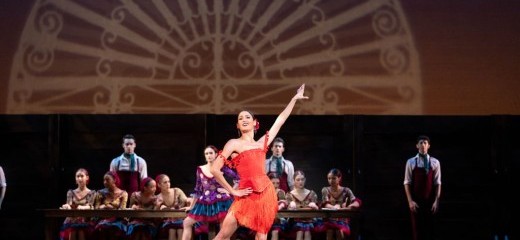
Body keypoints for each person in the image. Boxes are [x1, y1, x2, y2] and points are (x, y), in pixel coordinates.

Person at [209, 83, 309, 240]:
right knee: (222, 235)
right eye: (240, 118)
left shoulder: (261, 143)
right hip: (246, 193)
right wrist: (232, 190)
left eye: (247, 117)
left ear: (255, 123)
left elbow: (280, 120)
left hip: (265, 192)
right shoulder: (233, 143)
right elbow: (215, 169)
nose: (244, 119)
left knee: (261, 236)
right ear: (237, 125)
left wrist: (294, 99)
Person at [181, 145, 238, 240]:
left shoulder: (221, 167)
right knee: (186, 222)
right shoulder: (200, 169)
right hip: (205, 202)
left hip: (221, 201)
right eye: (206, 153)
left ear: (216, 154)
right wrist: (191, 206)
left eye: (211, 153)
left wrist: (230, 190)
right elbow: (198, 189)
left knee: (224, 230)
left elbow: (238, 178)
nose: (209, 155)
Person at [403, 135, 441, 240]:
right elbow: (406, 182)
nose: (423, 145)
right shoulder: (410, 162)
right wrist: (410, 201)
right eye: (420, 143)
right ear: (417, 145)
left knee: (430, 230)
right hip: (416, 202)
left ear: (429, 146)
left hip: (430, 202)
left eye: (425, 143)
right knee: (417, 231)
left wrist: (436, 201)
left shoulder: (435, 162)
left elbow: (438, 183)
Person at [320, 168, 361, 240]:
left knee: (339, 231)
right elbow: (325, 204)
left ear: (339, 178)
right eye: (329, 178)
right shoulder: (325, 190)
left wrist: (352, 205)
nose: (331, 181)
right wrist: (334, 207)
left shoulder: (346, 190)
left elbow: (356, 201)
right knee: (330, 231)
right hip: (330, 219)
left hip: (342, 220)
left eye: (333, 178)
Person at [59, 168, 97, 240]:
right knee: (73, 228)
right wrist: (66, 206)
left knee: (80, 230)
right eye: (77, 176)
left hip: (85, 219)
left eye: (82, 176)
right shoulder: (71, 192)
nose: (79, 178)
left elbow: (90, 206)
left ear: (87, 178)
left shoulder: (91, 193)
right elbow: (69, 204)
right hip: (72, 218)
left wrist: (82, 207)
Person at [110, 134, 148, 198]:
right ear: (123, 145)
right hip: (119, 196)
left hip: (135, 196)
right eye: (127, 144)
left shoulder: (141, 161)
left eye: (131, 144)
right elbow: (111, 181)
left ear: (135, 145)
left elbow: (144, 181)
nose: (129, 146)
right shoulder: (115, 161)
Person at [94, 171, 129, 240]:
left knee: (114, 228)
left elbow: (122, 209)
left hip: (118, 219)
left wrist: (113, 209)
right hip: (103, 219)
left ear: (114, 180)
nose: (105, 182)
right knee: (103, 227)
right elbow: (96, 208)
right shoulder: (100, 193)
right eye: (104, 180)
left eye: (107, 180)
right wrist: (103, 207)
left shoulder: (123, 193)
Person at [155, 173, 191, 240]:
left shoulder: (177, 191)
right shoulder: (158, 197)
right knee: (172, 230)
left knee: (180, 230)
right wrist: (158, 206)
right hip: (167, 222)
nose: (168, 184)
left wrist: (190, 201)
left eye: (169, 181)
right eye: (165, 182)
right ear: (159, 185)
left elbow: (186, 200)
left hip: (180, 219)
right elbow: (157, 214)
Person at [286, 170, 319, 240]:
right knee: (300, 231)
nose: (300, 182)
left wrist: (315, 206)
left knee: (307, 231)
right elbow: (288, 210)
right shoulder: (289, 195)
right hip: (295, 222)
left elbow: (317, 210)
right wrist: (291, 206)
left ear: (305, 180)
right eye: (298, 180)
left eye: (302, 179)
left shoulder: (311, 194)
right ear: (294, 181)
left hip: (309, 221)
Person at [268, 173, 288, 240]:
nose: (276, 185)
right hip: (266, 219)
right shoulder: (264, 192)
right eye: (273, 183)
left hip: (277, 219)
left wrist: (281, 204)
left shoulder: (280, 192)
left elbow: (283, 203)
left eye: (277, 183)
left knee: (275, 232)